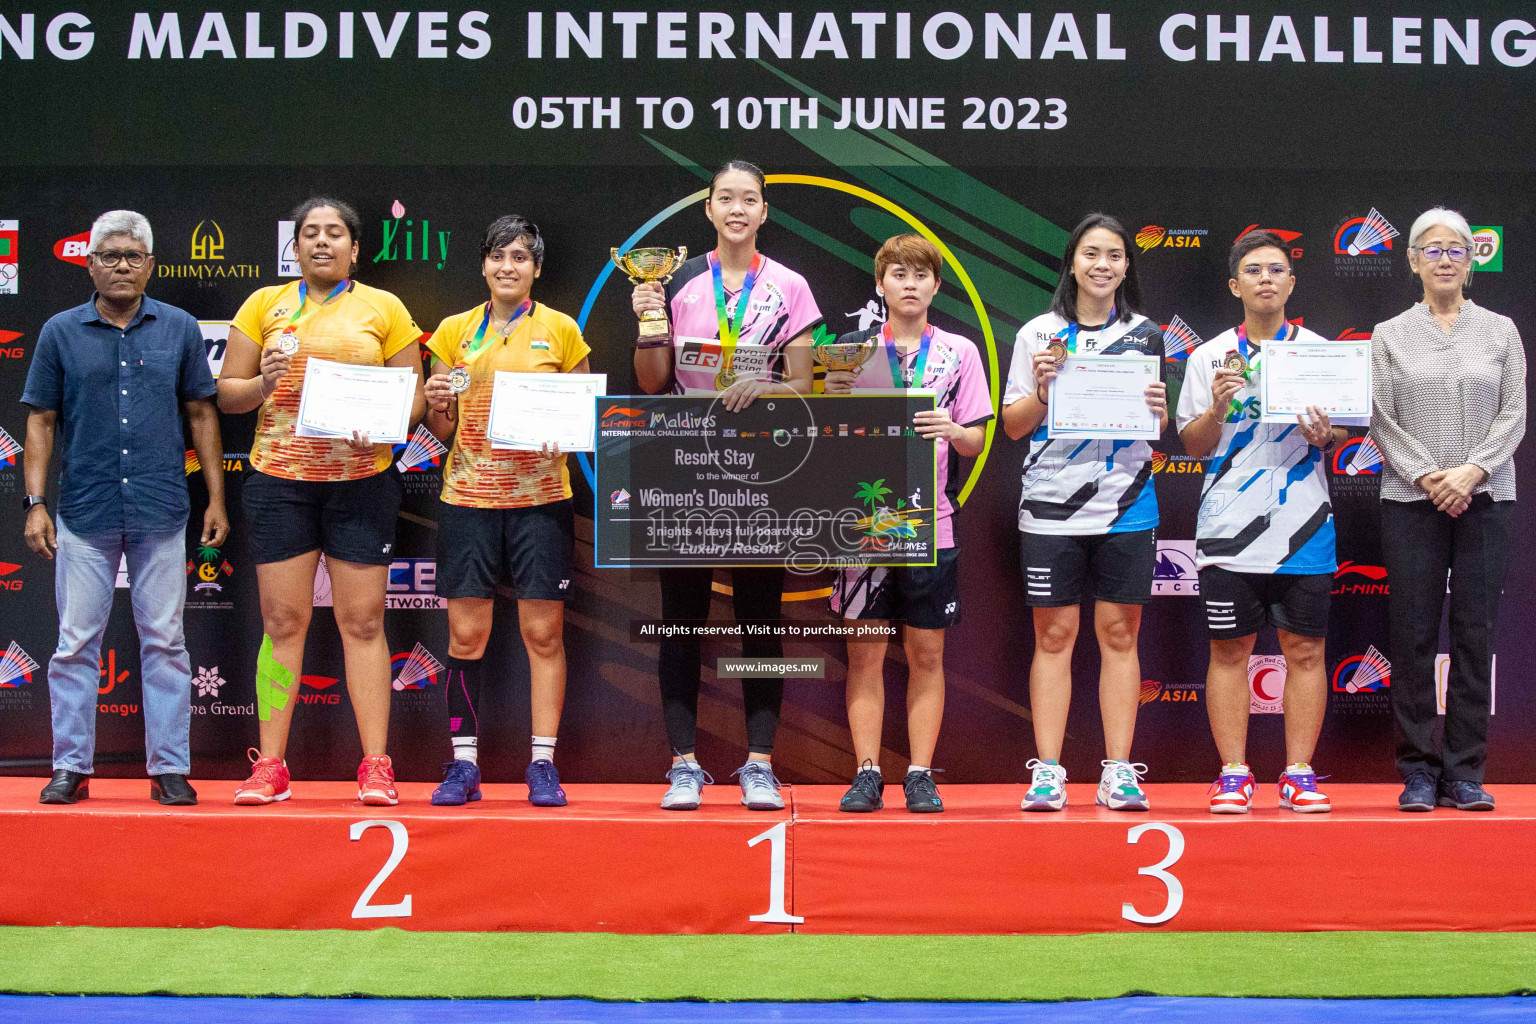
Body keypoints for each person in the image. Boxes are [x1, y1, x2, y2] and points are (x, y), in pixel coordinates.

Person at [218, 197, 424, 806]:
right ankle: (271, 765)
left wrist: (384, 421)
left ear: (355, 249)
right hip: (280, 482)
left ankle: (376, 765)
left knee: (362, 623)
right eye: (310, 233)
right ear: (296, 246)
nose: (322, 242)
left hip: (362, 483)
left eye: (335, 234)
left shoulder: (383, 307)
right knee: (283, 623)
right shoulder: (263, 306)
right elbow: (228, 395)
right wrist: (264, 381)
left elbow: (413, 400)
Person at [631, 159, 820, 811]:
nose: (737, 209)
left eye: (749, 200)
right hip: (685, 464)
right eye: (725, 199)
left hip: (762, 464)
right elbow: (653, 383)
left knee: (760, 616)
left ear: (764, 212)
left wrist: (764, 382)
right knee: (681, 618)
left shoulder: (790, 286)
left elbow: (803, 380)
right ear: (708, 209)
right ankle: (684, 763)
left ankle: (759, 763)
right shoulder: (678, 279)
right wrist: (650, 320)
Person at [21, 210, 227, 806]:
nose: (120, 266)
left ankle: (168, 768)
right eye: (109, 256)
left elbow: (201, 414)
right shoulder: (60, 331)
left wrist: (215, 496)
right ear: (89, 264)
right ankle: (70, 767)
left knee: (165, 641)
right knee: (75, 642)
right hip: (84, 509)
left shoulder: (181, 327)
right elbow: (39, 421)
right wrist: (36, 503)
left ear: (151, 266)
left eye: (132, 257)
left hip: (162, 507)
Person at [1176, 230, 1349, 814]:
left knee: (1305, 653)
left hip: (1304, 526)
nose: (1266, 278)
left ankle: (1299, 772)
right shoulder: (1208, 357)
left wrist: (1327, 435)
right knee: (1230, 652)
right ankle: (1232, 772)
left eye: (1276, 269)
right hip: (1228, 530)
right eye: (1254, 270)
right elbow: (1194, 446)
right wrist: (1219, 407)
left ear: (1292, 282)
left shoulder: (1318, 350)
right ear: (1235, 284)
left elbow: (1341, 433)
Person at [420, 216, 590, 807]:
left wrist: (562, 434)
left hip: (541, 501)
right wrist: (435, 401)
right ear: (484, 265)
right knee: (466, 634)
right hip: (468, 498)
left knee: (542, 633)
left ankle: (542, 763)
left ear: (537, 269)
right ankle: (463, 764)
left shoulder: (562, 330)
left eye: (521, 257)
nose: (508, 266)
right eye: (498, 256)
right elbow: (440, 425)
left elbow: (582, 418)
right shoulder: (452, 332)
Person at [1000, 213, 1167, 813]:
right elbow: (1013, 427)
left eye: (1115, 255)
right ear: (1072, 262)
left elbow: (1158, 429)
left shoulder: (1147, 334)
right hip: (1050, 506)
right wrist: (1044, 391)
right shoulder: (1039, 334)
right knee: (1055, 635)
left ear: (1127, 265)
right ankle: (1048, 771)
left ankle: (1118, 771)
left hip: (1126, 505)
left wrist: (1157, 409)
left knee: (1120, 635)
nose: (1103, 265)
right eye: (1092, 253)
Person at [824, 234, 991, 813]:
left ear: (936, 287)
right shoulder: (850, 350)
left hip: (932, 525)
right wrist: (835, 401)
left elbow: (975, 442)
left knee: (927, 654)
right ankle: (866, 771)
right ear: (880, 284)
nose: (910, 284)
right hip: (863, 527)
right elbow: (823, 442)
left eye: (921, 275)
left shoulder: (960, 353)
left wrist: (951, 430)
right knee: (864, 652)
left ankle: (920, 772)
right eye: (898, 273)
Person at [1371, 207, 1525, 813]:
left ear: (1472, 260)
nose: (1443, 259)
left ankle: (1464, 771)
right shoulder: (1389, 334)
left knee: (1472, 634)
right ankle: (1416, 770)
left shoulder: (1501, 329)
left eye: (1455, 249)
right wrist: (1430, 477)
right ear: (1412, 261)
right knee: (1410, 636)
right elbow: (1381, 417)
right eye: (1431, 250)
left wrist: (1471, 471)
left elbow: (1513, 414)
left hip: (1487, 495)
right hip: (1412, 499)